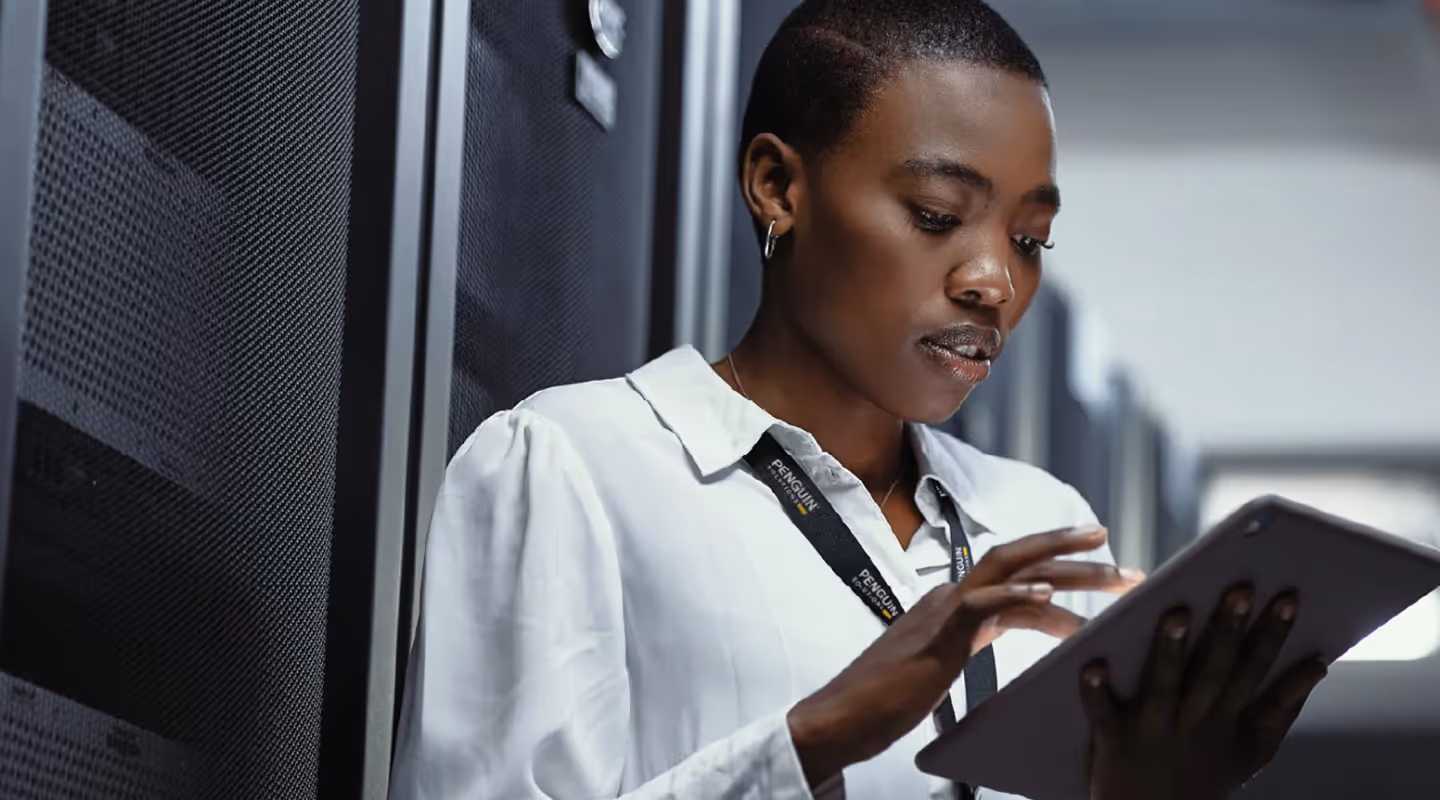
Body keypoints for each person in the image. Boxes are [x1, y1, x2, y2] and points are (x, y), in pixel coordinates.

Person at [387, 2, 1328, 798]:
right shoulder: (575, 465)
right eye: (936, 217)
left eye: (1031, 239)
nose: (994, 281)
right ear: (777, 186)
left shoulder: (1041, 522)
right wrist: (817, 735)